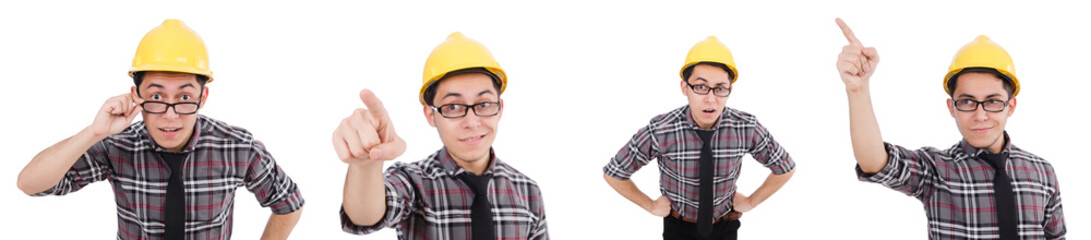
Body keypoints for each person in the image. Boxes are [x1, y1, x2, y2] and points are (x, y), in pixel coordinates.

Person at [15, 19, 304, 240]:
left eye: (184, 98)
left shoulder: (237, 147)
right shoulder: (118, 145)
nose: (170, 115)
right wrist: (95, 131)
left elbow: (289, 202)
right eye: (155, 97)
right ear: (136, 95)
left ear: (202, 98)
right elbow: (31, 184)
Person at [835, 18, 1066, 239]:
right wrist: (858, 89)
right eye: (967, 101)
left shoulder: (1043, 172)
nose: (980, 115)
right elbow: (875, 161)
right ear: (951, 107)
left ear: (1011, 105)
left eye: (993, 101)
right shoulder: (936, 170)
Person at [335, 32, 548, 240]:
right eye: (453, 106)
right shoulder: (413, 182)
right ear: (431, 115)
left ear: (500, 109)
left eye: (484, 104)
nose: (472, 122)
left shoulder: (528, 191)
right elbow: (365, 216)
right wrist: (366, 164)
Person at [603, 36, 797, 240]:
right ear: (684, 87)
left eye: (720, 88)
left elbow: (785, 167)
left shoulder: (746, 127)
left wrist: (751, 202)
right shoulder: (661, 129)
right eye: (701, 87)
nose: (711, 98)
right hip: (678, 228)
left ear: (729, 91)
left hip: (725, 227)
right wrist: (650, 205)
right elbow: (614, 173)